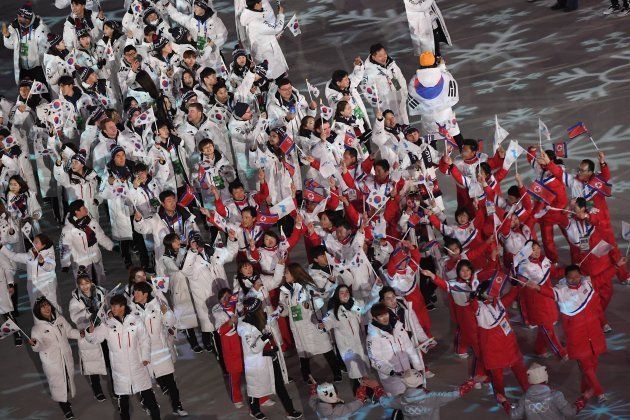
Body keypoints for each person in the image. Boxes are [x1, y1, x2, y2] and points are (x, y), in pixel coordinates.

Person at [526, 265, 608, 403]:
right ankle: (599, 393)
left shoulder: (587, 283)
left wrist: (617, 266)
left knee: (593, 365)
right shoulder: (561, 291)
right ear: (566, 278)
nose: (575, 280)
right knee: (587, 368)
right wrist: (537, 288)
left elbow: (602, 278)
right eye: (571, 278)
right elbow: (550, 293)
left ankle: (585, 389)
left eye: (577, 277)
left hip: (594, 335)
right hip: (577, 338)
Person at [86, 294, 161, 420]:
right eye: (112, 306)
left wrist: (145, 357)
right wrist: (90, 331)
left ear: (122, 306)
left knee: (150, 400)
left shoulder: (135, 320)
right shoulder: (107, 324)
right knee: (124, 407)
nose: (113, 309)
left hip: (138, 367)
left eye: (115, 306)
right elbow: (94, 339)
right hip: (120, 371)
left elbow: (144, 339)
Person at [237, 297, 303, 419]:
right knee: (255, 387)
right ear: (254, 310)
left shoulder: (261, 317)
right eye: (260, 307)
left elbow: (271, 319)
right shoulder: (246, 328)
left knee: (280, 385)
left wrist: (279, 310)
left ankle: (290, 410)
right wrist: (264, 338)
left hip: (271, 358)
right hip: (257, 362)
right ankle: (254, 410)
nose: (263, 309)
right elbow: (254, 348)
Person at [130, 281, 188, 417]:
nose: (135, 295)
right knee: (145, 383)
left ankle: (177, 406)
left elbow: (171, 322)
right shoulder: (131, 309)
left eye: (138, 292)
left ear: (145, 294)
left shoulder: (157, 304)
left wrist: (166, 313)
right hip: (143, 353)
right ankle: (150, 406)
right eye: (134, 292)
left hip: (160, 350)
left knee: (170, 381)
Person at [279, 262, 342, 384]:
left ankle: (337, 372)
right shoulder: (285, 290)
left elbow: (319, 302)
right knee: (303, 353)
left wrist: (310, 306)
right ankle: (307, 377)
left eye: (286, 272)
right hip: (297, 327)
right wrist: (282, 308)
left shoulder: (308, 287)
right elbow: (285, 309)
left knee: (326, 349)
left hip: (311, 324)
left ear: (294, 273)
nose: (284, 275)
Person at [29, 297, 81, 420]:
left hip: (65, 356)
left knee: (68, 378)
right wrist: (35, 344)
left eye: (47, 305)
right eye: (43, 307)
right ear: (38, 311)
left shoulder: (60, 319)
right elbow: (38, 347)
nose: (46, 308)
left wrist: (81, 334)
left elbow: (69, 332)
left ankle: (64, 400)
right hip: (52, 361)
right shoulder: (36, 329)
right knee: (57, 383)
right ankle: (65, 408)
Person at [366, 303, 424, 396]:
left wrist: (418, 366)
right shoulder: (372, 337)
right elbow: (375, 360)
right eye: (380, 316)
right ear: (375, 318)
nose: (385, 318)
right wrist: (391, 372)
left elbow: (409, 348)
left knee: (413, 398)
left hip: (408, 373)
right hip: (391, 377)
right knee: (398, 402)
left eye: (386, 314)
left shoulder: (398, 328)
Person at [67, 269, 108, 402]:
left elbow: (106, 308)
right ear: (78, 285)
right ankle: (97, 390)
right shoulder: (74, 301)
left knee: (109, 360)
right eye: (81, 284)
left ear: (91, 282)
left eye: (87, 283)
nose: (85, 286)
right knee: (92, 363)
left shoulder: (100, 293)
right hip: (87, 333)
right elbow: (75, 318)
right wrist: (86, 312)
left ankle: (115, 388)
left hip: (102, 331)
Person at [162, 233, 202, 352]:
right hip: (179, 290)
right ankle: (194, 343)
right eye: (175, 241)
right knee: (186, 319)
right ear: (169, 244)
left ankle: (207, 339)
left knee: (199, 313)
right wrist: (186, 251)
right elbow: (177, 267)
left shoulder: (183, 250)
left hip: (190, 286)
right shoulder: (165, 257)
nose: (178, 242)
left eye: (178, 239)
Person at [60, 199, 115, 284]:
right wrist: (65, 264)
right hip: (82, 264)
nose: (86, 209)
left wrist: (111, 246)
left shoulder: (91, 222)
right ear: (77, 212)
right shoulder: (68, 229)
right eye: (83, 208)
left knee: (98, 284)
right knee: (85, 287)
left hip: (95, 260)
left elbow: (100, 236)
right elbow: (65, 247)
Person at [0, 233, 58, 310]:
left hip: (47, 289)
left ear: (43, 245)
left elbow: (50, 267)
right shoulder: (29, 256)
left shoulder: (49, 255)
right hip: (33, 289)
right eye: (33, 241)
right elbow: (13, 256)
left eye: (36, 242)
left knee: (52, 308)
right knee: (36, 310)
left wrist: (42, 263)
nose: (33, 243)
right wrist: (1, 247)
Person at [510, 363, 587, 419]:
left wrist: (504, 403)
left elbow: (514, 415)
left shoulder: (524, 399)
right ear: (545, 377)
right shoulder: (556, 395)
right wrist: (583, 399)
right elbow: (570, 413)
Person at [2, 3, 50, 86]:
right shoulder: (14, 26)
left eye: (24, 17)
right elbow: (10, 45)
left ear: (30, 18)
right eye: (19, 16)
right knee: (25, 95)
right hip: (23, 69)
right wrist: (7, 36)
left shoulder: (41, 28)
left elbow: (46, 50)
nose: (20, 19)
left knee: (42, 93)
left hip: (38, 69)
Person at [212, 287, 245, 408]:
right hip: (230, 344)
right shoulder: (218, 311)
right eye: (224, 298)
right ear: (220, 299)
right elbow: (220, 330)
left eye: (228, 297)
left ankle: (262, 398)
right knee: (234, 373)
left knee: (252, 370)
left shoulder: (237, 305)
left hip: (243, 340)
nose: (226, 300)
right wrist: (230, 323)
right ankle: (237, 398)